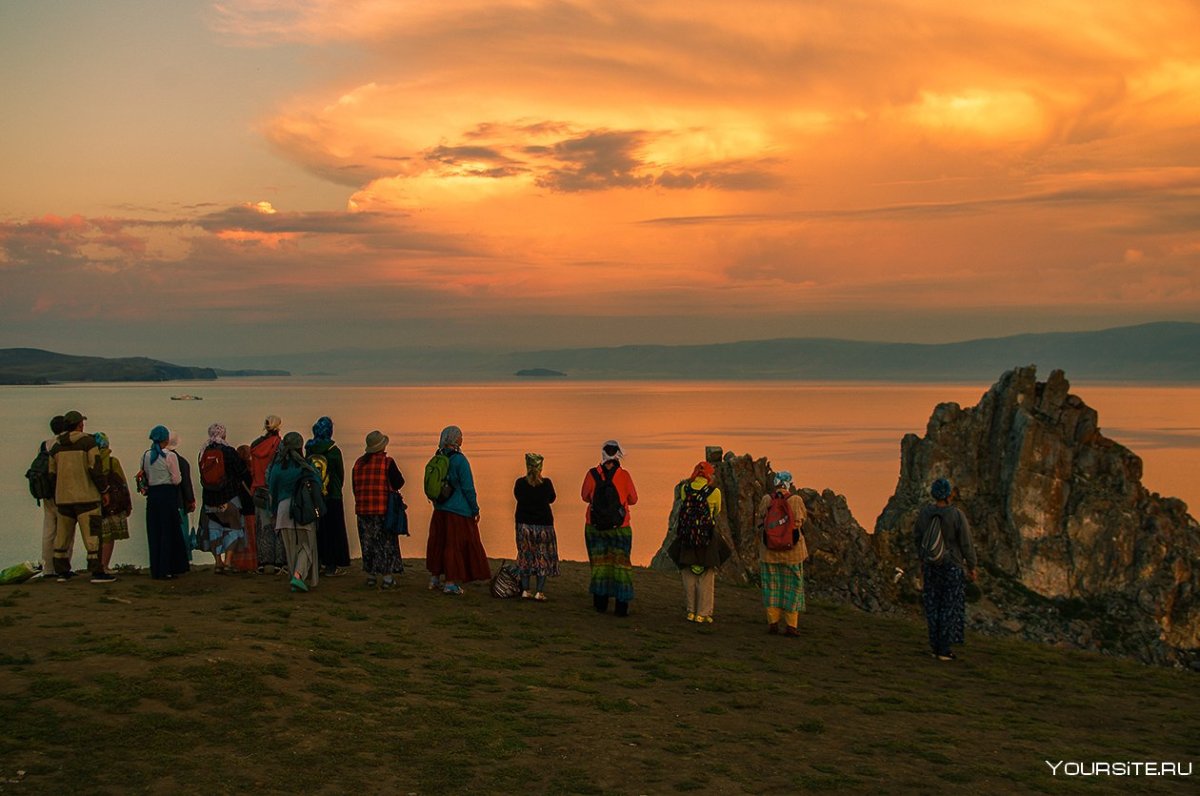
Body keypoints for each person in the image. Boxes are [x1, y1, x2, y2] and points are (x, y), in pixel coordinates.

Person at [915, 477, 978, 661]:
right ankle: (944, 649)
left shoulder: (924, 513)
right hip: (952, 565)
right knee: (948, 606)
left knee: (933, 605)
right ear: (949, 494)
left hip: (930, 566)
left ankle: (935, 647)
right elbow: (966, 543)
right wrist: (972, 566)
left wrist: (922, 558)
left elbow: (917, 537)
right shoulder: (956, 515)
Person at [425, 425, 491, 595]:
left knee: (439, 542)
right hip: (458, 511)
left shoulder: (438, 457)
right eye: (460, 436)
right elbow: (468, 487)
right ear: (455, 439)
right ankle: (450, 582)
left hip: (439, 509)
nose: (462, 438)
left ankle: (434, 578)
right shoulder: (460, 460)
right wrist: (475, 508)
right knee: (454, 546)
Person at [47, 410, 111, 583]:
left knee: (62, 536)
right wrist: (104, 490)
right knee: (93, 536)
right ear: (80, 425)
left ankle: (62, 571)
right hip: (87, 498)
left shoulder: (56, 446)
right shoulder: (88, 442)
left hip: (63, 499)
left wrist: (57, 493)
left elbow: (51, 475)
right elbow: (95, 468)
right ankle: (97, 572)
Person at [580, 440, 638, 617]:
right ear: (618, 455)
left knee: (599, 564)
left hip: (595, 527)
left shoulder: (592, 474)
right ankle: (621, 607)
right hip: (620, 528)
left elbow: (584, 496)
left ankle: (600, 603)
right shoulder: (625, 475)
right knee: (621, 565)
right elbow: (633, 499)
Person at [667, 461, 729, 624]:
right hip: (706, 538)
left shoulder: (684, 488)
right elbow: (717, 511)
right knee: (706, 577)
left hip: (686, 538)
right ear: (709, 475)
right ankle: (703, 613)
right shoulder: (714, 492)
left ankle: (690, 612)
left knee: (688, 575)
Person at [350, 430, 406, 589]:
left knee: (368, 543)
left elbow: (355, 487)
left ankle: (371, 576)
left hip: (362, 509)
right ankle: (387, 578)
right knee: (386, 543)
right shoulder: (387, 462)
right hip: (382, 509)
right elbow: (398, 483)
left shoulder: (358, 463)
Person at [755, 472, 809, 636]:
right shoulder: (796, 500)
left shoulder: (767, 499)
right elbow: (800, 520)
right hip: (792, 552)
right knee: (793, 588)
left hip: (769, 552)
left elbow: (759, 521)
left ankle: (773, 623)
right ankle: (791, 626)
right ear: (789, 484)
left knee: (771, 587)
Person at [269, 432, 320, 592]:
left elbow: (272, 491)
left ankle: (295, 578)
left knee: (290, 547)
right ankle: (298, 576)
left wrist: (273, 512)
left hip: (283, 510)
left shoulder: (277, 467)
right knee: (307, 546)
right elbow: (317, 483)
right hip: (303, 508)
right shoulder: (306, 465)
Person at [196, 424, 250, 574]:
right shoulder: (229, 451)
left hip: (209, 498)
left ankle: (217, 562)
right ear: (224, 435)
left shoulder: (203, 452)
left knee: (214, 530)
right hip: (229, 497)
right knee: (232, 529)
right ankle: (228, 562)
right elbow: (241, 471)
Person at [143, 425, 189, 580]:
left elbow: (146, 475)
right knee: (169, 531)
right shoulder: (170, 456)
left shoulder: (146, 455)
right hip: (167, 495)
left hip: (153, 496)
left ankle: (156, 568)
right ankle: (168, 567)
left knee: (155, 531)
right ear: (166, 439)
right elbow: (177, 480)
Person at [306, 416, 350, 577]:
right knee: (334, 530)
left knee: (319, 531)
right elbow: (340, 474)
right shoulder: (334, 451)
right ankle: (332, 564)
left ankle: (319, 562)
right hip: (333, 495)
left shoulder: (309, 449)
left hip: (314, 496)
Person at [513, 452, 558, 601]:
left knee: (525, 555)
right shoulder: (547, 484)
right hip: (544, 525)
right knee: (542, 556)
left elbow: (517, 496)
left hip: (524, 524)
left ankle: (525, 590)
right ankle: (539, 591)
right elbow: (552, 498)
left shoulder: (520, 483)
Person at [249, 415, 286, 574]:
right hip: (275, 490)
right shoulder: (279, 445)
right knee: (278, 526)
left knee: (262, 527)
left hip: (258, 489)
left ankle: (263, 563)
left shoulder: (255, 445)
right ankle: (279, 563)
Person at [38, 415, 73, 577]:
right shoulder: (64, 444)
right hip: (63, 491)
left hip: (46, 492)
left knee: (49, 530)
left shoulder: (44, 445)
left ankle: (48, 568)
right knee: (66, 530)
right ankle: (64, 566)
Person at [93, 433, 133, 574]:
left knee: (95, 537)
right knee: (109, 538)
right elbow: (122, 483)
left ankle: (95, 565)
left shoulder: (89, 461)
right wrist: (128, 504)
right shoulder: (112, 462)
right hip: (112, 505)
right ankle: (104, 566)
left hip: (93, 503)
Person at [227, 444, 259, 573]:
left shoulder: (233, 473)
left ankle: (237, 563)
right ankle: (251, 563)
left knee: (238, 536)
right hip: (250, 507)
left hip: (236, 507)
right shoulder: (250, 471)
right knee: (251, 536)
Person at [167, 432, 196, 566]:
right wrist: (191, 500)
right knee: (182, 531)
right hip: (179, 502)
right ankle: (183, 559)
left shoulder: (156, 459)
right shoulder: (182, 462)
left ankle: (169, 559)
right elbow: (186, 484)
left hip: (164, 501)